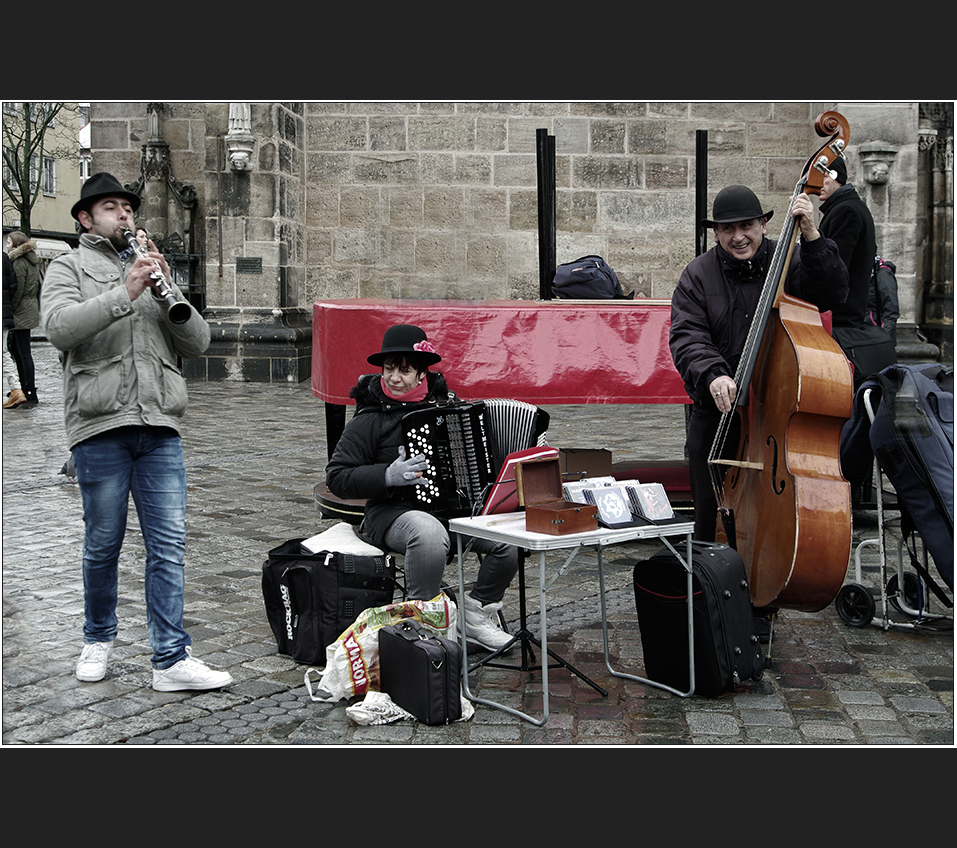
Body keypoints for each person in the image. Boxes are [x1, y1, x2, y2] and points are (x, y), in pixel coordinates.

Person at [40, 172, 233, 691]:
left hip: (160, 424)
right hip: (100, 423)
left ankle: (170, 659)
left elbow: (199, 343)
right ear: (85, 217)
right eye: (110, 208)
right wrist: (121, 291)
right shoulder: (68, 265)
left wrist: (172, 292)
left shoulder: (151, 270)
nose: (124, 216)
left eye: (127, 208)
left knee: (168, 545)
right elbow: (59, 329)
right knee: (103, 542)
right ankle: (98, 637)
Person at [670, 184, 849, 542]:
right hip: (719, 413)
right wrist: (714, 375)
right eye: (728, 229)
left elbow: (833, 293)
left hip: (778, 416)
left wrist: (813, 236)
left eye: (747, 226)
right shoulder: (698, 275)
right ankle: (710, 587)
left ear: (764, 225)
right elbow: (688, 336)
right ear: (716, 233)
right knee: (710, 512)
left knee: (778, 515)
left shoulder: (790, 260)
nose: (739, 237)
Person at [325, 324, 517, 652]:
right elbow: (337, 477)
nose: (395, 378)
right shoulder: (370, 418)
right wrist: (387, 475)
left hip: (450, 511)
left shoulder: (448, 408)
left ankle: (477, 613)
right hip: (391, 513)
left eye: (404, 370)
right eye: (389, 369)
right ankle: (421, 628)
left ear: (421, 374)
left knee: (508, 536)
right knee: (428, 534)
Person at [817, 157, 891, 390]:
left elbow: (834, 269)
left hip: (840, 320)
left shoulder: (845, 210)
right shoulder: (848, 207)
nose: (817, 182)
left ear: (835, 176)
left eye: (823, 175)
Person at [5, 231, 41, 409]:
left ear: (16, 245)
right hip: (29, 308)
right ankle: (24, 389)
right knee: (19, 350)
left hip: (21, 311)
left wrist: (10, 308)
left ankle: (27, 390)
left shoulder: (19, 261)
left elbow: (17, 289)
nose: (6, 245)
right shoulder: (31, 259)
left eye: (9, 242)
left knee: (22, 352)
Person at [2, 249, 20, 406]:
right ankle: (16, 389)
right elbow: (13, 285)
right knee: (3, 352)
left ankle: (16, 388)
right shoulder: (4, 258)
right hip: (5, 311)